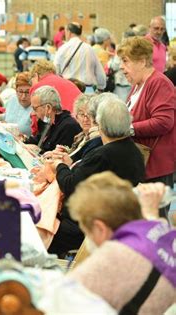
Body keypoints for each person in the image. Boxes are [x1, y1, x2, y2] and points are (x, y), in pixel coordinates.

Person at [67, 171, 175, 314]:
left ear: (100, 228)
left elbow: (62, 300)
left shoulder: (114, 254)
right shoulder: (163, 240)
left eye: (86, 230)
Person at [48, 97, 146, 255]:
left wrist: (60, 166)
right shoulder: (134, 152)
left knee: (32, 224)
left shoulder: (102, 155)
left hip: (83, 228)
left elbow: (70, 185)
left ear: (101, 126)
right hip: (113, 225)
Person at [118, 36, 175, 218]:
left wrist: (128, 128)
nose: (121, 67)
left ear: (142, 61)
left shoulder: (159, 82)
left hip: (156, 165)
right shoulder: (137, 85)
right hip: (142, 164)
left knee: (155, 222)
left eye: (125, 61)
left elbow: (164, 121)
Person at [54, 22, 106, 93]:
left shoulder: (62, 49)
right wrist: (101, 87)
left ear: (69, 32)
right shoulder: (89, 49)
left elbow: (56, 70)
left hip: (68, 89)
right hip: (87, 91)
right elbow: (100, 73)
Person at [4, 72, 32, 137]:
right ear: (16, 90)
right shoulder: (12, 99)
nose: (23, 96)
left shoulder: (36, 108)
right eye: (20, 91)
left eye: (27, 92)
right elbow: (6, 117)